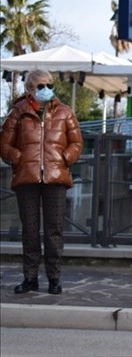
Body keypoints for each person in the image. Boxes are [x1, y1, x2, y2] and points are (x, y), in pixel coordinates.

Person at [1, 69, 82, 295]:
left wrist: (64, 158)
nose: (46, 89)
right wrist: (20, 159)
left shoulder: (65, 112)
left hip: (56, 179)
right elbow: (4, 145)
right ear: (29, 89)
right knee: (30, 230)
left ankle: (54, 278)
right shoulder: (17, 112)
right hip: (27, 178)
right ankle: (30, 278)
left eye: (49, 85)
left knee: (54, 230)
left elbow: (76, 143)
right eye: (40, 86)